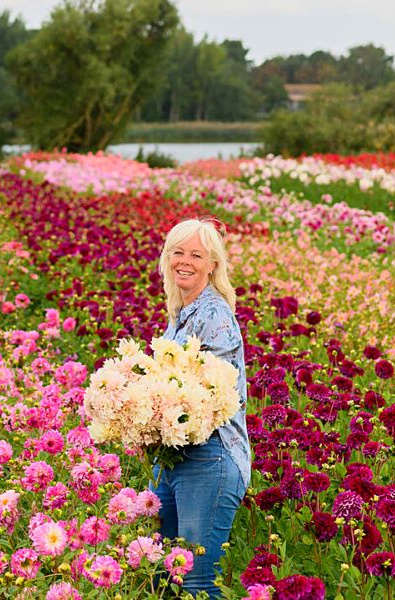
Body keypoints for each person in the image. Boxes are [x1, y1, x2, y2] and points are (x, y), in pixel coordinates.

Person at [153, 218, 251, 598]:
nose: (184, 261)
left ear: (213, 264)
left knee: (194, 582)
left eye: (196, 254)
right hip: (172, 455)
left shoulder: (214, 314)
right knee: (161, 576)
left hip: (210, 457)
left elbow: (212, 397)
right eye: (177, 252)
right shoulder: (181, 314)